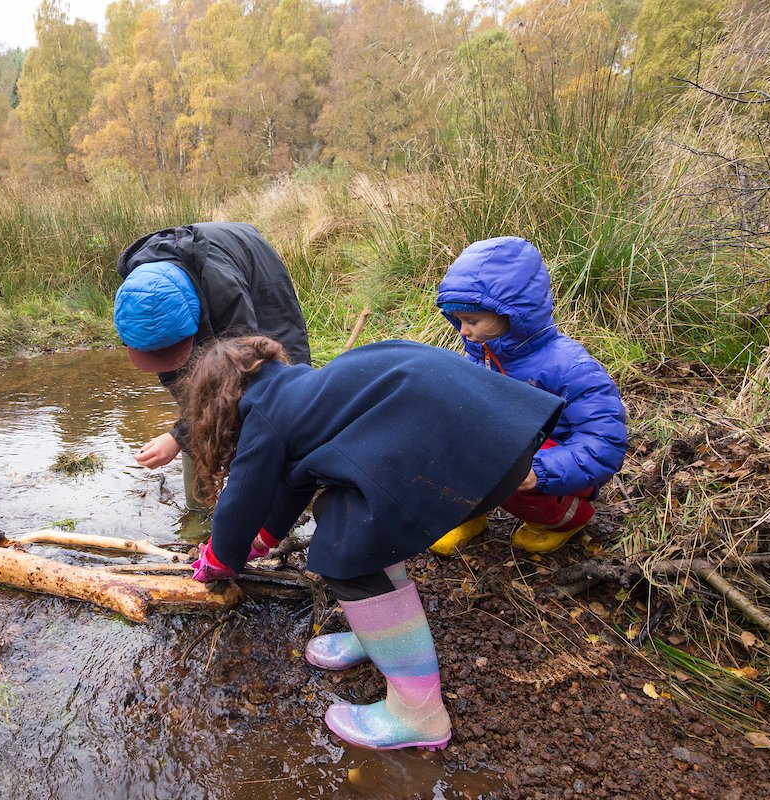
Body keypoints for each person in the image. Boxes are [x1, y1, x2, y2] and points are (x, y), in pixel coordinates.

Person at [183, 336, 564, 751]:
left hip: (467, 457)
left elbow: (240, 501)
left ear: (217, 404)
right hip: (502, 441)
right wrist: (267, 538)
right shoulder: (304, 393)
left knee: (346, 550)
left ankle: (418, 714)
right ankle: (376, 634)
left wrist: (221, 558)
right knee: (340, 512)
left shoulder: (265, 414)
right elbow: (296, 483)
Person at [429, 236, 627, 555]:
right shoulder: (483, 356)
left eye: (473, 321)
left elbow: (605, 440)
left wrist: (544, 470)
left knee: (504, 454)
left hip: (553, 466)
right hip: (509, 452)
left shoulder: (568, 366)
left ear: (509, 313)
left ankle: (565, 519)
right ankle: (468, 514)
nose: (463, 331)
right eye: (459, 322)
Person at [113, 222, 310, 511]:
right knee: (201, 404)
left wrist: (177, 438)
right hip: (192, 287)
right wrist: (187, 431)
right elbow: (177, 377)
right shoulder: (135, 298)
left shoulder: (226, 295)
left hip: (253, 265)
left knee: (278, 388)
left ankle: (285, 497)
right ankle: (201, 508)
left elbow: (242, 375)